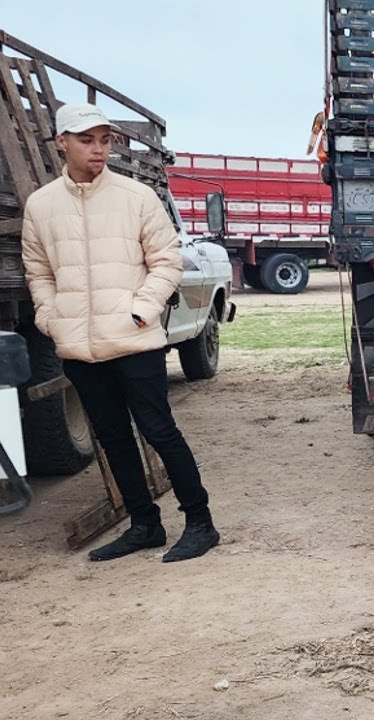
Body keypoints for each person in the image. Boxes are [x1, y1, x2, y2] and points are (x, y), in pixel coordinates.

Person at [22, 103, 220, 563]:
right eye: (86, 140)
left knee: (159, 430)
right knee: (111, 438)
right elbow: (39, 270)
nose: (98, 149)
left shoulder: (136, 198)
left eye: (104, 140)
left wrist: (140, 311)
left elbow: (166, 262)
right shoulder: (41, 205)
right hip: (79, 346)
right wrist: (51, 318)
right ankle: (144, 524)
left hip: (134, 341)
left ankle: (200, 522)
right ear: (62, 142)